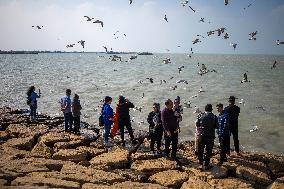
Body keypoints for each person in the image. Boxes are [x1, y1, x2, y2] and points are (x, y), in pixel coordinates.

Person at [195, 104, 218, 170]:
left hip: (202, 136)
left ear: (205, 109)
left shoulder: (200, 115)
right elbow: (217, 126)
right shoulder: (214, 117)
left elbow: (197, 124)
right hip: (210, 136)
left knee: (200, 150)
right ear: (211, 109)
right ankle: (207, 165)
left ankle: (200, 164)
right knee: (209, 151)